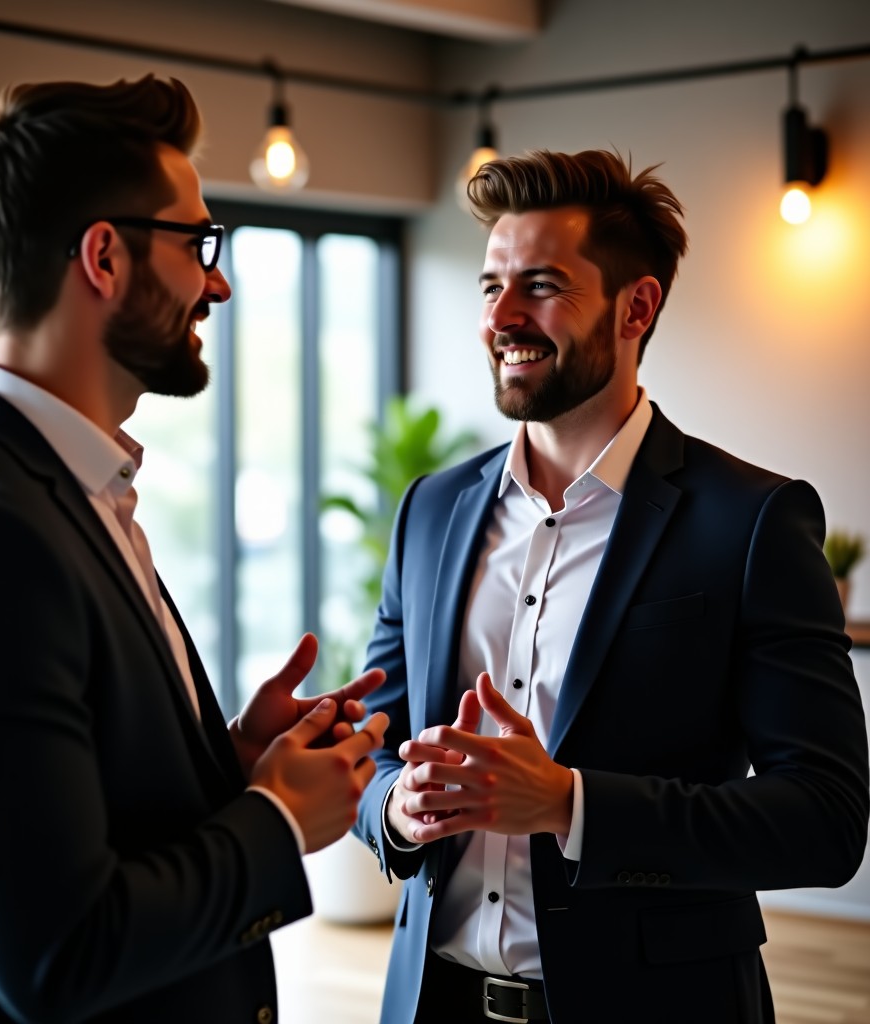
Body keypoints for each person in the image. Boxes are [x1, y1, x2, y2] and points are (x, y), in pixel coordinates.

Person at [0, 75, 389, 1024]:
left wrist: (231, 764)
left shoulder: (72, 493)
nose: (218, 282)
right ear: (104, 257)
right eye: (197, 244)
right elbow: (56, 953)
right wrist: (275, 819)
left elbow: (83, 817)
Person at [353, 149, 869, 1024]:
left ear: (637, 307)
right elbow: (374, 746)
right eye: (491, 287)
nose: (501, 317)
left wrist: (570, 805)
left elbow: (825, 819)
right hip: (431, 1003)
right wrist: (395, 808)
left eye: (542, 286)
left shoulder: (751, 522)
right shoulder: (430, 511)